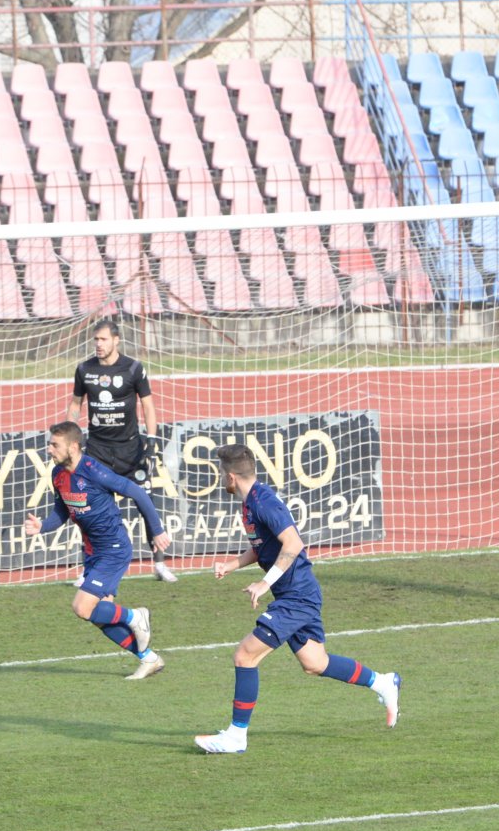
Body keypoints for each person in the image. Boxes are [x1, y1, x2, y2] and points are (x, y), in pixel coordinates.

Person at [194, 444, 399, 754]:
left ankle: (236, 736)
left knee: (245, 655)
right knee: (315, 663)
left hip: (297, 597)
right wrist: (232, 565)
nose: (221, 479)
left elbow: (293, 543)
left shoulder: (265, 503)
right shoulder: (249, 503)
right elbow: (263, 547)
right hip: (296, 594)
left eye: (222, 474)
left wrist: (264, 582)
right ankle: (382, 682)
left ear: (232, 476)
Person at [22, 421, 170, 680]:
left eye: (55, 444)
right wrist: (42, 526)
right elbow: (62, 511)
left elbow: (138, 493)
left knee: (82, 607)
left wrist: (156, 530)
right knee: (99, 616)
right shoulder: (58, 474)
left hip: (114, 549)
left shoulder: (94, 471)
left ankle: (136, 615)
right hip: (93, 552)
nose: (49, 449)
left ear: (73, 446)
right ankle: (149, 659)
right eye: (49, 443)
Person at [68, 318, 179, 583]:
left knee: (147, 503)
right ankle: (89, 570)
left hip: (131, 450)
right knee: (91, 510)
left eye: (103, 339)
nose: (98, 344)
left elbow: (148, 406)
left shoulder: (133, 368)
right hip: (97, 451)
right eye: (96, 339)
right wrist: (70, 436)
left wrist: (151, 442)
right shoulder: (85, 370)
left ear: (116, 340)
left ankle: (160, 565)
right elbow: (75, 404)